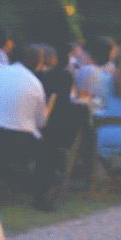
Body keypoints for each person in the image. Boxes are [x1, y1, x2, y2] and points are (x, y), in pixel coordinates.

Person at [0, 49, 52, 210]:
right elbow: (41, 122)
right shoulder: (36, 84)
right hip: (21, 141)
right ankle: (40, 197)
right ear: (39, 65)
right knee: (46, 152)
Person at [29, 44, 88, 190]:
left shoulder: (34, 77)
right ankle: (85, 170)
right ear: (54, 59)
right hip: (58, 128)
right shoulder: (64, 76)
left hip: (35, 123)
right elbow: (71, 99)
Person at [72, 35, 116, 105]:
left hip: (84, 107)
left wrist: (88, 99)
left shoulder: (87, 70)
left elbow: (75, 97)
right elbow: (106, 102)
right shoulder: (111, 74)